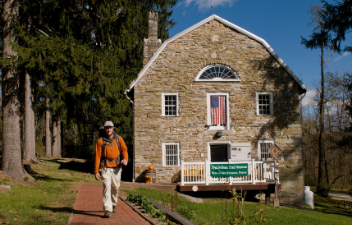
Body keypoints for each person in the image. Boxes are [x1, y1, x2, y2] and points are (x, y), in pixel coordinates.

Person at [94, 121, 128, 218]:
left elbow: (124, 150)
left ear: (113, 128)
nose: (108, 129)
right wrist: (96, 171)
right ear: (104, 129)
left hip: (117, 168)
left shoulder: (119, 139)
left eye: (110, 127)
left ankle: (113, 204)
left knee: (115, 188)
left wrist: (125, 159)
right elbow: (97, 156)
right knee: (106, 188)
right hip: (105, 168)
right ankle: (107, 210)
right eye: (107, 128)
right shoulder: (100, 141)